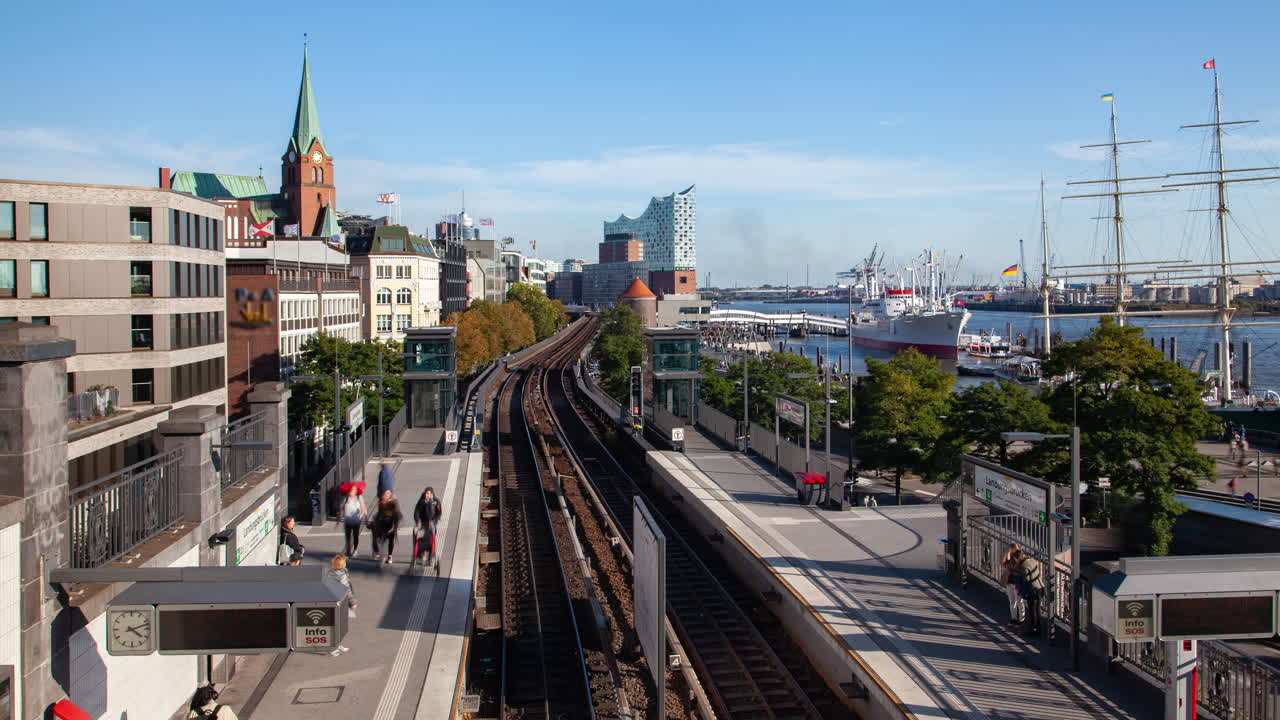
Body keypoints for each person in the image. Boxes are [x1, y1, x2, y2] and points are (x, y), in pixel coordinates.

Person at [325, 555, 355, 655]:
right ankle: (333, 647)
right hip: (340, 602)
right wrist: (353, 602)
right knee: (338, 625)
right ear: (342, 564)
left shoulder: (330, 573)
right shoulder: (342, 575)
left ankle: (336, 644)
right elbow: (347, 590)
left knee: (335, 624)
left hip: (331, 601)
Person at [371, 489, 403, 564]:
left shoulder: (393, 504)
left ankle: (389, 555)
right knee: (381, 540)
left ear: (389, 496)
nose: (385, 496)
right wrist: (375, 522)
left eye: (387, 494)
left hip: (391, 524)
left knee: (391, 541)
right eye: (384, 494)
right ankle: (381, 554)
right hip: (383, 525)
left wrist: (395, 526)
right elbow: (379, 514)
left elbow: (397, 515)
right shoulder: (381, 503)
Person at [1017, 549, 1044, 635]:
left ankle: (1033, 629)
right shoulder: (1032, 560)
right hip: (1040, 587)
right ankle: (1039, 628)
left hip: (1033, 590)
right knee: (1037, 609)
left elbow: (1027, 581)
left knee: (1032, 610)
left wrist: (1022, 592)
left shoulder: (1023, 566)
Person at [414, 486, 443, 568]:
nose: (427, 495)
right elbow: (416, 512)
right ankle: (419, 553)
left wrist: (433, 521)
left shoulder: (436, 502)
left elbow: (439, 513)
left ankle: (431, 556)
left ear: (432, 494)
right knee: (417, 534)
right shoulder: (421, 502)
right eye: (426, 493)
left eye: (429, 494)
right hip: (423, 522)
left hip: (431, 523)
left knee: (431, 537)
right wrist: (418, 521)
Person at [1000, 543, 1025, 628]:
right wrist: (1007, 553)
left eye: (1012, 548)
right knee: (1012, 601)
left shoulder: (1019, 555)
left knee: (1019, 601)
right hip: (1009, 581)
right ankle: (1013, 618)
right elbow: (1003, 562)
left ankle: (1022, 620)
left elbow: (1013, 566)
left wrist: (1009, 557)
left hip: (1017, 582)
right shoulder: (1010, 555)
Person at [341, 486, 367, 558]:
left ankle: (355, 550)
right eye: (351, 490)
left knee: (355, 536)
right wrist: (341, 513)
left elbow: (363, 507)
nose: (352, 491)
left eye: (353, 490)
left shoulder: (359, 497)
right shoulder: (345, 498)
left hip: (356, 520)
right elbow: (342, 508)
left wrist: (362, 515)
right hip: (347, 521)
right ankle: (348, 551)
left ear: (356, 491)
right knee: (348, 536)